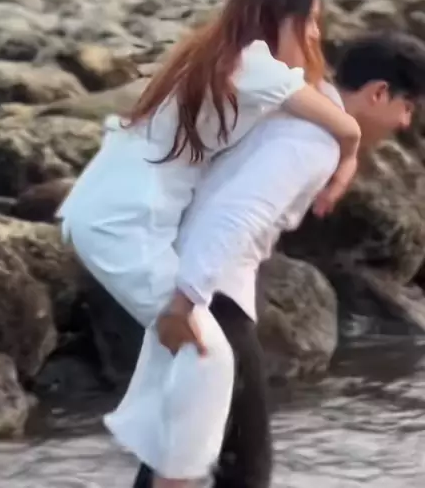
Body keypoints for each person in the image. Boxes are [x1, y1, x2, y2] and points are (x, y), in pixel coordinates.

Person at [123, 32, 425, 488]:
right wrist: (187, 305)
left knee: (206, 458)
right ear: (378, 92)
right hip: (210, 297)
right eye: (408, 107)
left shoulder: (304, 114)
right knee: (227, 465)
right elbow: (231, 217)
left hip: (199, 286)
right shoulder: (312, 144)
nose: (405, 123)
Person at [59, 0, 359, 329]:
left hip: (108, 203)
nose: (314, 34)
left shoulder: (214, 51)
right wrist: (347, 162)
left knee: (183, 345)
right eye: (308, 21)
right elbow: (345, 127)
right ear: (278, 18)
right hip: (126, 220)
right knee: (199, 342)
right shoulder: (255, 67)